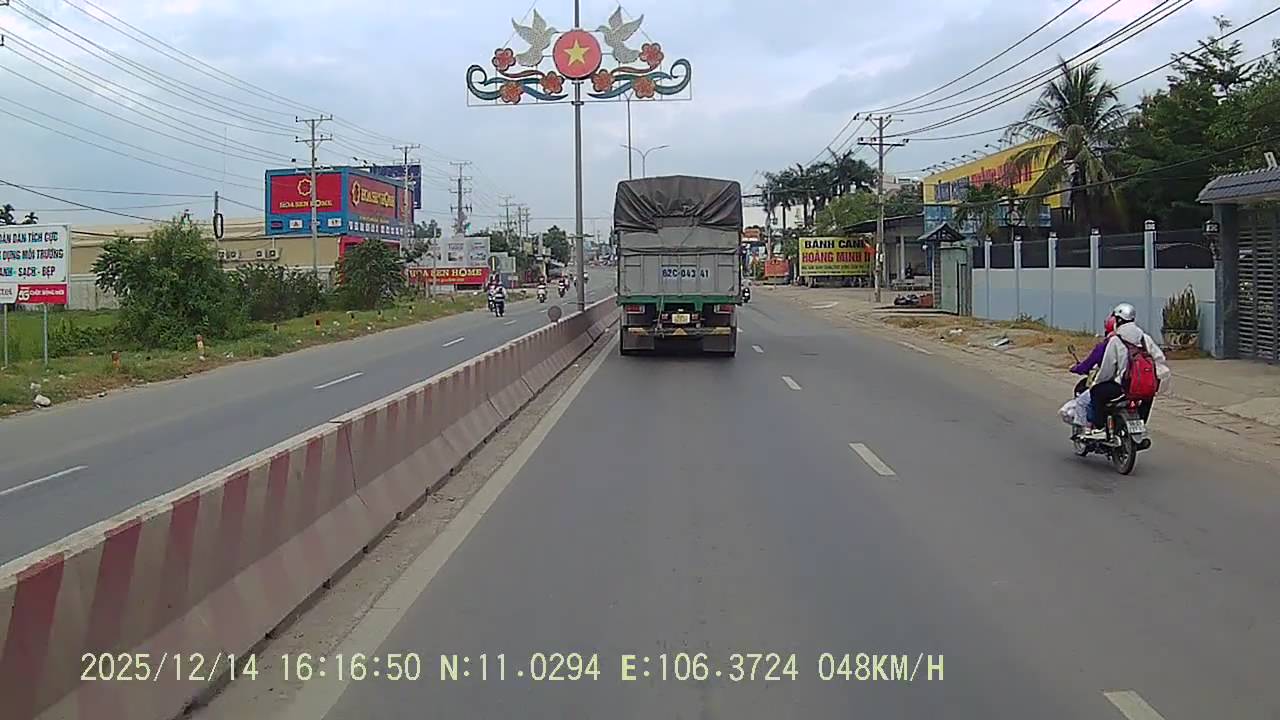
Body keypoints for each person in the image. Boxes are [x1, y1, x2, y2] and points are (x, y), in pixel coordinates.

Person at [1085, 303, 1168, 438]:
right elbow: (1160, 360)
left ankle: (1100, 428)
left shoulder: (1116, 340)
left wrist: (1097, 382)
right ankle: (1141, 425)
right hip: (1145, 387)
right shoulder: (1145, 338)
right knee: (1147, 397)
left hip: (1124, 387)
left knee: (1096, 392)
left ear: (1118, 320)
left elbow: (1108, 369)